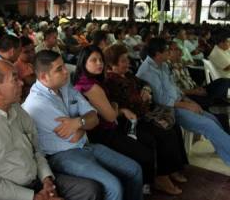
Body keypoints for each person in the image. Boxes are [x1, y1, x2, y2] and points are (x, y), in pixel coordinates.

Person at [0, 60, 103, 200]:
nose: (21, 82)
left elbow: (36, 151)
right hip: (10, 193)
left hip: (37, 180)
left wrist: (47, 180)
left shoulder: (16, 109)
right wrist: (33, 197)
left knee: (90, 189)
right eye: (14, 79)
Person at [22, 50, 143, 200]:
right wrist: (83, 125)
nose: (66, 72)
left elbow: (94, 117)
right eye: (59, 69)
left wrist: (79, 122)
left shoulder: (65, 86)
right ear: (43, 77)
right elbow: (74, 135)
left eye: (64, 66)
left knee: (135, 170)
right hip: (61, 156)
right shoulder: (37, 104)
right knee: (113, 186)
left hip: (85, 146)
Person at [103, 44, 189, 194]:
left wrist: (146, 90)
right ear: (112, 64)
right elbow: (129, 103)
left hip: (142, 115)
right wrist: (144, 99)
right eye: (123, 61)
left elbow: (144, 83)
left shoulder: (128, 75)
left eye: (127, 60)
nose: (127, 63)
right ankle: (161, 177)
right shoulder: (111, 80)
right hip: (129, 121)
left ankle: (173, 168)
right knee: (163, 133)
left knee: (173, 127)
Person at [72, 46, 157, 194]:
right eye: (94, 60)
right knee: (145, 155)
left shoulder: (86, 80)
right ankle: (140, 190)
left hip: (103, 130)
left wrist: (118, 109)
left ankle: (144, 185)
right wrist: (117, 106)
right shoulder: (91, 87)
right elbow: (110, 116)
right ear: (83, 63)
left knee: (147, 140)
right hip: (102, 134)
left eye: (101, 60)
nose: (99, 63)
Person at [137, 37, 230, 166]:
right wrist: (186, 105)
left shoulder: (162, 65)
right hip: (168, 109)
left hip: (180, 102)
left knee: (213, 119)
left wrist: (189, 101)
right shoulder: (147, 71)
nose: (169, 53)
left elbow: (175, 88)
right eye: (167, 51)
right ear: (158, 54)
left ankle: (226, 156)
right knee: (209, 125)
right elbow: (161, 100)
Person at [14, 36, 36, 100]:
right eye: (26, 52)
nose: (31, 54)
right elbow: (31, 81)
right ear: (18, 52)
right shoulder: (17, 65)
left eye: (32, 50)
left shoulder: (29, 63)